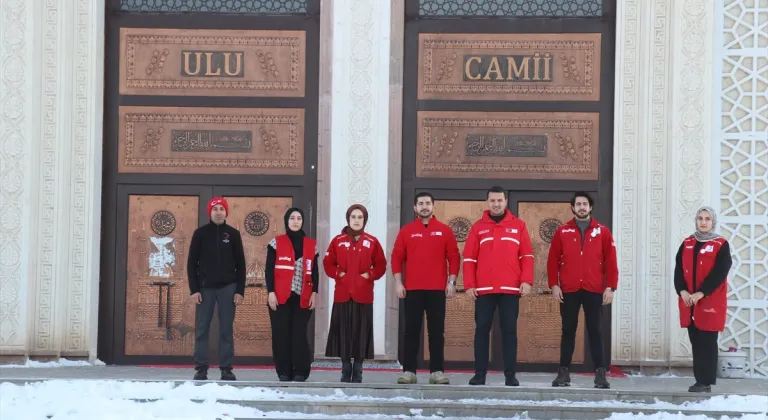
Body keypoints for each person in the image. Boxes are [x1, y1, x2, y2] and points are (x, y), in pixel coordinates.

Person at [462, 186, 534, 386]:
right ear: (487, 202)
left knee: (509, 331)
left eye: (499, 200)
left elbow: (527, 256)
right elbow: (469, 258)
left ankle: (510, 375)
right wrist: (469, 285)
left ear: (506, 201)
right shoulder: (478, 227)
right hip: (483, 290)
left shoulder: (518, 225)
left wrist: (526, 281)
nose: (496, 204)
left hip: (510, 290)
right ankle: (480, 374)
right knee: (482, 330)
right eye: (492, 200)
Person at [546, 191, 618, 389]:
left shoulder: (602, 231)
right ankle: (563, 373)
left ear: (591, 207)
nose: (582, 207)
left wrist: (611, 287)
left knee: (595, 330)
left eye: (585, 204)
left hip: (594, 289)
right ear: (573, 207)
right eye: (578, 204)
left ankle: (600, 373)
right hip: (569, 289)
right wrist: (554, 285)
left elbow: (611, 262)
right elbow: (553, 261)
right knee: (568, 330)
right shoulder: (563, 231)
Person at [392, 192, 460, 385]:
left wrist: (452, 282)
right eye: (421, 203)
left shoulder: (444, 230)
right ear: (415, 208)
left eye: (428, 203)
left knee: (436, 332)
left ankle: (436, 372)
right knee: (411, 331)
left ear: (433, 206)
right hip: (412, 289)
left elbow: (454, 257)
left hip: (437, 290)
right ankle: (409, 372)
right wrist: (398, 282)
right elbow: (397, 257)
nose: (424, 206)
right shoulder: (406, 231)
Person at [323, 204, 387, 383]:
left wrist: (369, 275)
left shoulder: (372, 241)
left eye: (360, 217)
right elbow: (328, 263)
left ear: (365, 220)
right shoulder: (338, 241)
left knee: (361, 332)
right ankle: (345, 369)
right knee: (343, 332)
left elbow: (381, 264)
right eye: (353, 217)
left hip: (363, 295)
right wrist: (339, 274)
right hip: (343, 294)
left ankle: (358, 370)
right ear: (348, 219)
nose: (357, 220)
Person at [187, 197, 246, 381]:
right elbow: (191, 263)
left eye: (222, 209)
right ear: (210, 212)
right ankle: (201, 367)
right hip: (205, 289)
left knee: (226, 328)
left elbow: (241, 265)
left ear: (226, 212)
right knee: (202, 327)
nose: (218, 212)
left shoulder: (233, 234)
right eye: (215, 209)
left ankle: (226, 368)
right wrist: (194, 289)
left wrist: (240, 291)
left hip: (228, 288)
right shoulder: (200, 234)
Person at [674, 206, 732, 393]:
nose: (703, 222)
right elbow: (678, 270)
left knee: (707, 341)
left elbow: (720, 272)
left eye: (707, 218)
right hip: (689, 302)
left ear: (712, 221)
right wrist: (682, 291)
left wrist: (702, 292)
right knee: (696, 341)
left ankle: (705, 382)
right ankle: (699, 380)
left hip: (709, 301)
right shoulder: (687, 243)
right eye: (700, 218)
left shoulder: (721, 244)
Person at [266, 207, 319, 382]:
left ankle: (301, 371)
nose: (295, 221)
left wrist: (315, 293)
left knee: (299, 333)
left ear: (302, 221)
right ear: (287, 221)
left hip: (303, 296)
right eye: (292, 218)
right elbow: (269, 270)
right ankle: (284, 371)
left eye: (298, 218)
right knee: (281, 334)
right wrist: (271, 293)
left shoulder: (311, 245)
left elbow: (316, 272)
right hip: (280, 297)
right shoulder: (276, 242)